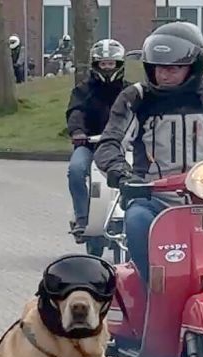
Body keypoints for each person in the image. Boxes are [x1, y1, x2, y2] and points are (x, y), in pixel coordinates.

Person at [94, 21, 203, 285]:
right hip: (153, 199)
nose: (164, 75)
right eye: (158, 68)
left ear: (195, 66)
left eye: (174, 68)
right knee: (135, 221)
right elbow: (110, 143)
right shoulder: (136, 98)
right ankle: (152, 291)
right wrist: (120, 173)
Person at [65, 39, 129, 238]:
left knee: (141, 175)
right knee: (76, 170)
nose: (108, 68)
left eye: (111, 64)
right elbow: (76, 111)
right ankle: (82, 217)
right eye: (103, 64)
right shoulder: (83, 90)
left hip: (123, 146)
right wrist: (77, 132)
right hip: (90, 143)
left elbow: (141, 114)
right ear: (96, 65)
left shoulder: (130, 91)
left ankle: (134, 214)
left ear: (119, 65)